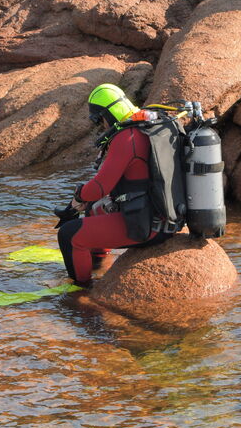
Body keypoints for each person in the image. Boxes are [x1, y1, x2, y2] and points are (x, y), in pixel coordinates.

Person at [56, 83, 173, 287]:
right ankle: (99, 263)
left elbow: (99, 187)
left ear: (107, 114)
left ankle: (81, 292)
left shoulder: (128, 137)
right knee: (93, 210)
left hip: (147, 227)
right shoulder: (152, 126)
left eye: (99, 119)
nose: (101, 125)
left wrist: (78, 197)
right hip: (169, 218)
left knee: (68, 234)